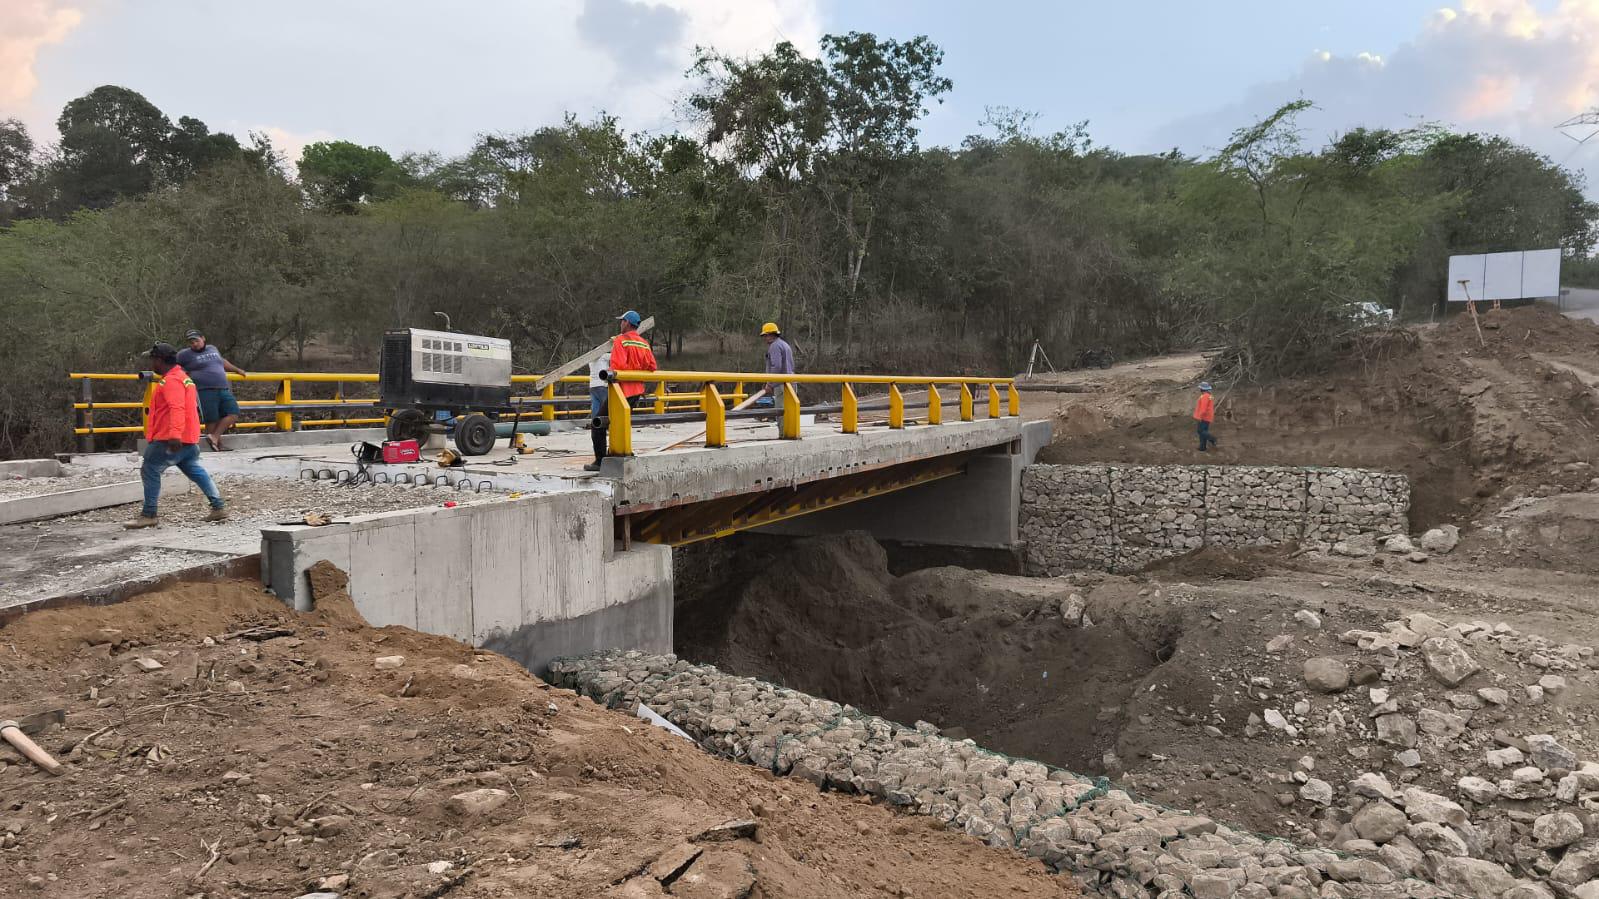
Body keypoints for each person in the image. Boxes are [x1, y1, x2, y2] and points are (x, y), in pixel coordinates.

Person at [125, 343, 227, 528]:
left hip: (169, 437)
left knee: (150, 469)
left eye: (153, 359)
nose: (151, 364)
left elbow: (176, 408)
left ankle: (149, 514)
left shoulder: (171, 381)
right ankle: (218, 506)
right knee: (194, 470)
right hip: (188, 437)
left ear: (160, 360)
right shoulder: (184, 378)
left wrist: (174, 435)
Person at [586, 310, 658, 472]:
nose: (620, 324)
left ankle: (600, 461)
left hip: (621, 391)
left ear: (627, 323)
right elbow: (652, 366)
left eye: (622, 321)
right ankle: (621, 453)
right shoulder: (644, 343)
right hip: (637, 391)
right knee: (620, 423)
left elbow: (618, 366)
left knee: (598, 423)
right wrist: (636, 369)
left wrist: (612, 371)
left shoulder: (621, 341)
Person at [176, 329, 248, 451]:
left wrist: (237, 369)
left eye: (196, 340)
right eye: (191, 342)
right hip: (204, 389)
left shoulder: (212, 349)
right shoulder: (184, 354)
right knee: (211, 419)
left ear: (203, 338)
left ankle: (214, 437)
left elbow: (222, 361)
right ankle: (215, 446)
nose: (194, 344)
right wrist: (184, 373)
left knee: (233, 413)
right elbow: (175, 366)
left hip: (222, 387)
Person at [760, 322, 794, 421]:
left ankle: (783, 430)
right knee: (790, 413)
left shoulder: (774, 346)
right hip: (790, 382)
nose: (764, 338)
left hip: (781, 384)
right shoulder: (785, 345)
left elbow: (776, 366)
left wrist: (770, 384)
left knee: (781, 413)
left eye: (765, 336)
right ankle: (789, 430)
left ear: (770, 335)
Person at [1194, 381, 1218, 452]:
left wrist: (1200, 417)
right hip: (1207, 417)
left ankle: (1212, 439)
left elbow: (1203, 409)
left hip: (1204, 417)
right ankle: (1202, 447)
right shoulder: (1209, 396)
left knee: (1200, 431)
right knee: (1204, 431)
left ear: (1202, 389)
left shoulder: (1205, 396)